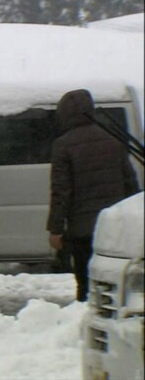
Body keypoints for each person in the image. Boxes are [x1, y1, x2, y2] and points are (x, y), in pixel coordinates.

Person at [46, 89, 140, 301]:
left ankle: (88, 319)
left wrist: (56, 229)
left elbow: (61, 191)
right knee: (115, 281)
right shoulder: (113, 140)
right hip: (114, 228)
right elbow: (131, 185)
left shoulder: (63, 145)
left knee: (86, 283)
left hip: (82, 230)